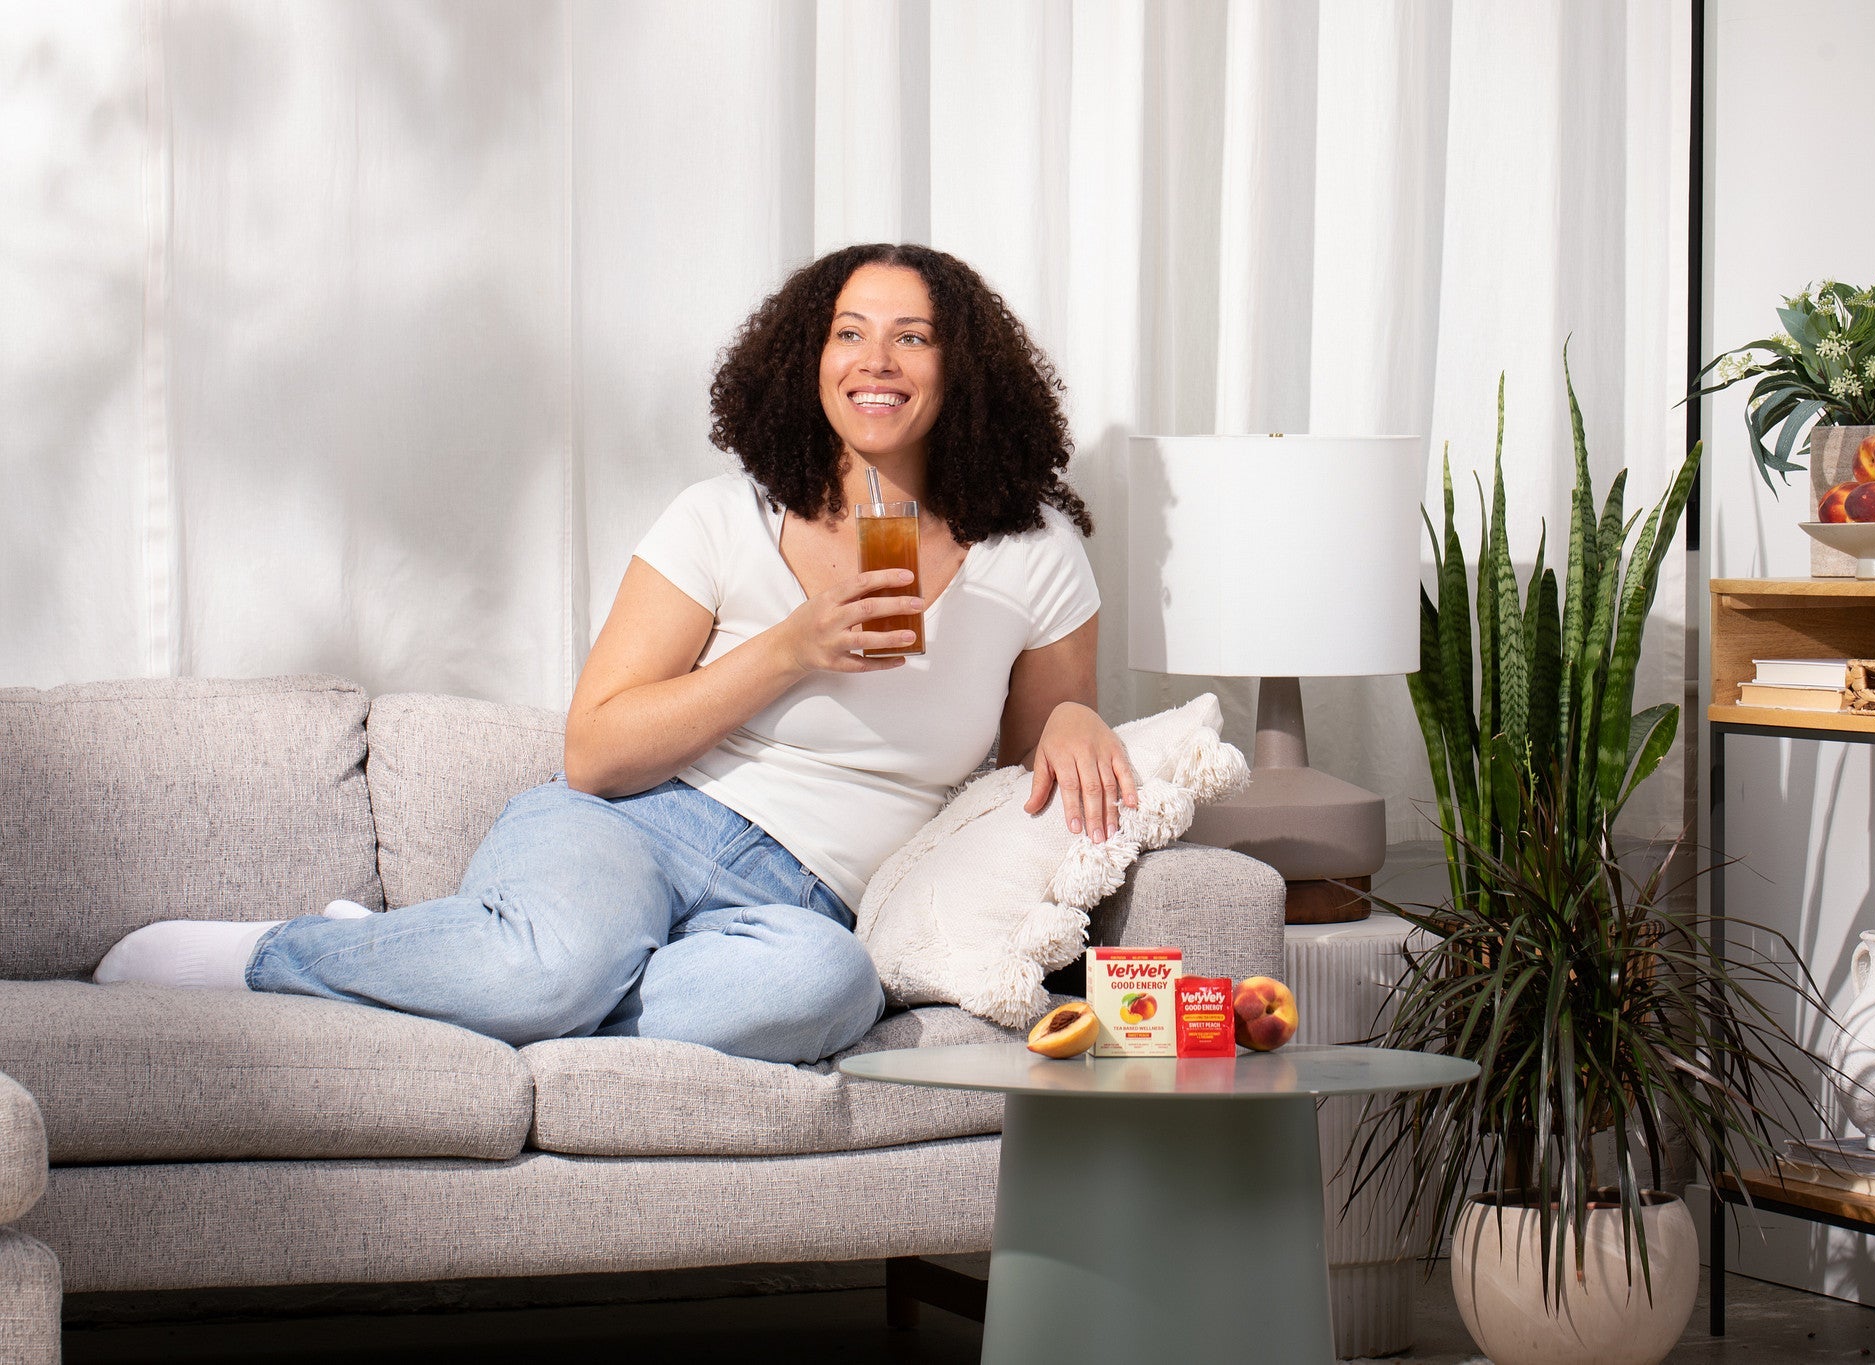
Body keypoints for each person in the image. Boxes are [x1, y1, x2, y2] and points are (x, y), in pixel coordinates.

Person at [93, 243, 1137, 1066]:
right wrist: (790, 648)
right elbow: (593, 754)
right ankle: (285, 953)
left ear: (960, 368)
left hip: (803, 905)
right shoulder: (721, 519)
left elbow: (1030, 756)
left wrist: (1079, 718)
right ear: (805, 360)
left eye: (911, 337)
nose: (875, 360)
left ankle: (473, 968)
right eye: (847, 333)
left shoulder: (1030, 549)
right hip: (634, 829)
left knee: (827, 990)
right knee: (560, 968)